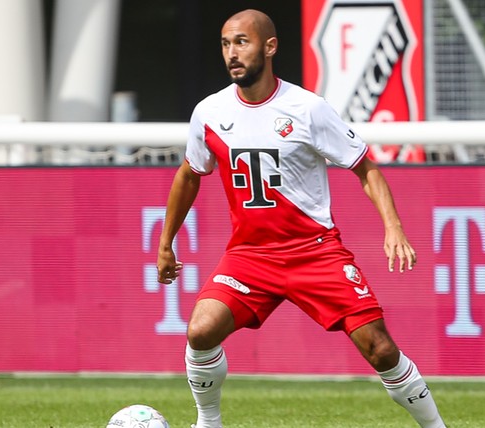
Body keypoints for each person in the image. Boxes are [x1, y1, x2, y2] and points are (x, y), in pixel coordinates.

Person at [157, 9, 447, 428]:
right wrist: (167, 243)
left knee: (380, 349)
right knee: (201, 331)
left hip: (315, 252)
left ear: (270, 47)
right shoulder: (208, 112)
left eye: (242, 42)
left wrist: (393, 227)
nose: (232, 53)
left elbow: (366, 167)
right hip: (250, 256)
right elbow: (189, 174)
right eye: (225, 44)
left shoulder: (307, 108)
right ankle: (208, 422)